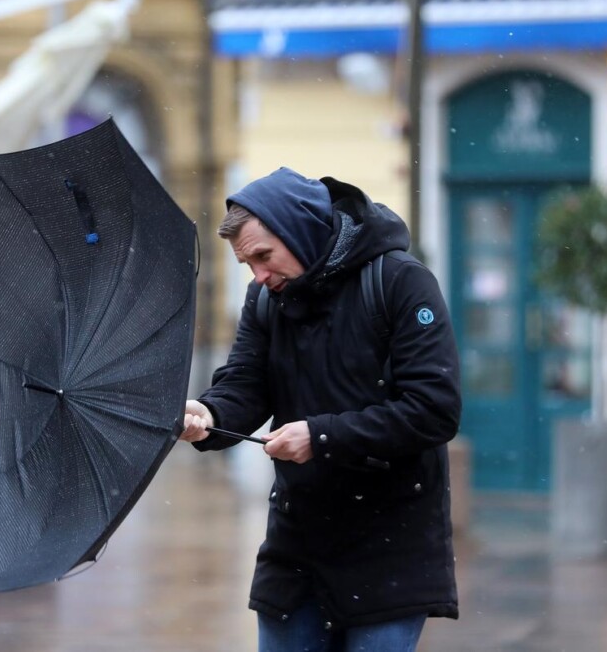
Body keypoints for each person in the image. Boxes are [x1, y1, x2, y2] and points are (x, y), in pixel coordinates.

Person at [181, 167, 462, 652]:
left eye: (264, 256)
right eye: (247, 264)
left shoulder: (400, 281)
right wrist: (210, 416)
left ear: (300, 230)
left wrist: (321, 436)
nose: (259, 275)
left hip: (391, 545)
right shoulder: (264, 299)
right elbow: (245, 383)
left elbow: (434, 409)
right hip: (297, 548)